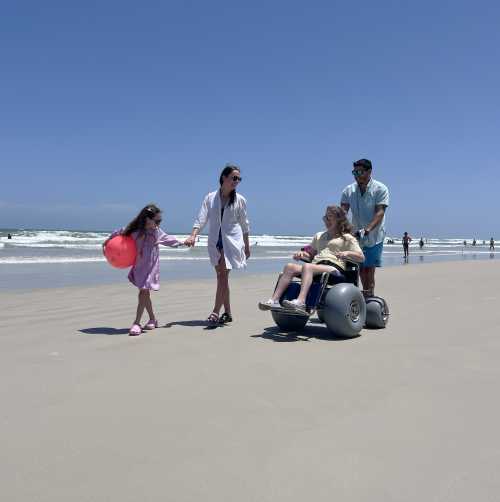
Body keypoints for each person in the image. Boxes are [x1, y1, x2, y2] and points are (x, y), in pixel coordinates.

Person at [258, 205, 364, 315]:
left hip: (334, 268)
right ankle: (274, 300)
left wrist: (347, 253)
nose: (326, 221)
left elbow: (361, 257)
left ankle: (301, 301)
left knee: (308, 267)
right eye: (325, 217)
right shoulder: (319, 236)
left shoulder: (347, 238)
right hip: (316, 265)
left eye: (330, 217)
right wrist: (302, 254)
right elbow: (311, 255)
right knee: (289, 267)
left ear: (339, 219)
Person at [103, 204, 185, 336]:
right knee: (145, 294)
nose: (158, 223)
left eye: (160, 221)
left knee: (143, 293)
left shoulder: (157, 232)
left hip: (151, 267)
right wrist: (106, 243)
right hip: (139, 266)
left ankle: (136, 323)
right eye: (157, 220)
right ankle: (153, 319)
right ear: (147, 219)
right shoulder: (134, 231)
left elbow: (169, 240)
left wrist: (183, 242)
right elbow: (118, 233)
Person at [185, 164, 250, 325]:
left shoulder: (240, 200)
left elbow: (245, 225)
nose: (237, 181)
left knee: (222, 275)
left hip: (232, 243)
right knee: (222, 277)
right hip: (215, 242)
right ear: (224, 177)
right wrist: (193, 235)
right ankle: (227, 312)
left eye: (239, 179)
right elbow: (201, 218)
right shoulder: (210, 197)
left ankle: (215, 311)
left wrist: (247, 246)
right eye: (234, 178)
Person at [341, 158, 389, 297]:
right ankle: (364, 296)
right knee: (360, 268)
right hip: (356, 234)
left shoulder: (381, 188)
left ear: (369, 172)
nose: (357, 175)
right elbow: (343, 212)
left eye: (360, 172)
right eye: (354, 172)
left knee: (369, 269)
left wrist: (367, 229)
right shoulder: (348, 190)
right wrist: (339, 226)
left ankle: (369, 296)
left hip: (375, 235)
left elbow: (380, 212)